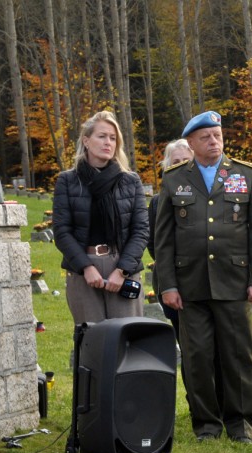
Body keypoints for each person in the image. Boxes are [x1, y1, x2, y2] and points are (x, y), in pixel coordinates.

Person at [154, 110, 252, 443]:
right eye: (205, 137)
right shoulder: (175, 178)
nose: (213, 141)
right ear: (190, 143)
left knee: (237, 356)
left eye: (217, 136)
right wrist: (168, 286)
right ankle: (206, 424)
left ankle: (241, 424)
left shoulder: (245, 174)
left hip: (233, 282)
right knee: (198, 357)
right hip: (190, 285)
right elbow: (164, 239)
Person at [53, 110, 149, 324]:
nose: (108, 142)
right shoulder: (68, 181)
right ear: (86, 141)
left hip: (122, 267)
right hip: (84, 270)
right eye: (102, 136)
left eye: (113, 138)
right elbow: (61, 231)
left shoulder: (130, 181)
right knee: (92, 340)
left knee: (127, 339)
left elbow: (141, 230)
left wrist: (122, 271)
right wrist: (86, 267)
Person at [148, 139, 194, 339]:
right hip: (172, 280)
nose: (182, 165)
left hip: (203, 280)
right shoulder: (158, 201)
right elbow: (153, 242)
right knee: (185, 344)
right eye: (176, 161)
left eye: (186, 160)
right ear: (167, 166)